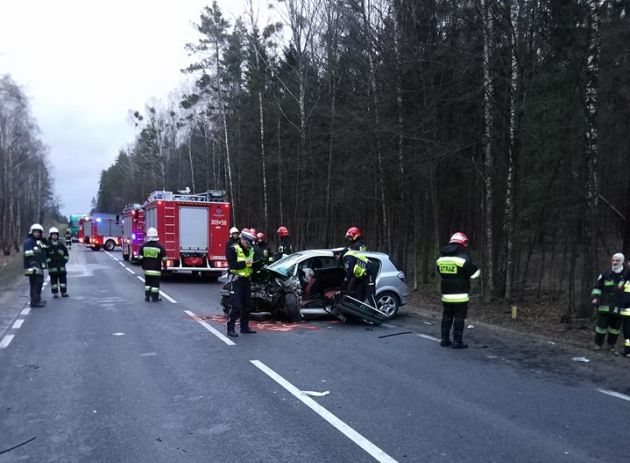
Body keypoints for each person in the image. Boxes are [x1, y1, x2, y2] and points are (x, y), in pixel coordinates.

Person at [436, 232, 480, 349]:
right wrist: (475, 267)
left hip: (446, 294)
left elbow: (441, 273)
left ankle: (444, 340)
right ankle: (457, 342)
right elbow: (475, 274)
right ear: (463, 243)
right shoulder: (464, 258)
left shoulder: (441, 258)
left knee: (447, 316)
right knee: (459, 318)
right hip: (460, 295)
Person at [591, 253, 625, 351]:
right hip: (604, 305)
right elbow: (597, 287)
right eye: (613, 260)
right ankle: (598, 344)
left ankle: (611, 346)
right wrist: (595, 298)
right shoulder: (605, 273)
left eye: (617, 261)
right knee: (601, 327)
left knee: (615, 329)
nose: (614, 262)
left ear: (622, 261)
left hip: (619, 307)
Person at [226, 230, 257, 337]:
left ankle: (244, 327)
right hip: (236, 280)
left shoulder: (250, 250)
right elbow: (232, 265)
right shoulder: (233, 249)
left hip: (246, 280)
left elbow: (252, 263)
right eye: (247, 242)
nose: (249, 245)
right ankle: (230, 329)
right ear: (242, 240)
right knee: (235, 306)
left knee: (248, 305)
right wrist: (245, 263)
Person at [138, 227, 167, 302]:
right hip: (156, 270)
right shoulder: (160, 248)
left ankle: (147, 297)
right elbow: (164, 258)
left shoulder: (143, 246)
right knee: (155, 285)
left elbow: (140, 257)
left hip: (147, 270)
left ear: (148, 237)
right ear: (156, 237)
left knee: (147, 284)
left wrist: (142, 265)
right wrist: (164, 266)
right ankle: (155, 298)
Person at [23, 223, 46, 308]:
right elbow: (28, 254)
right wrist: (33, 263)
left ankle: (37, 299)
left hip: (38, 267)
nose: (37, 234)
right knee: (35, 284)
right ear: (31, 232)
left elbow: (43, 252)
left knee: (39, 283)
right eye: (35, 232)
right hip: (32, 267)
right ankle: (34, 302)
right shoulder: (29, 242)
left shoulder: (37, 242)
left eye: (38, 232)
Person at [45, 227, 70, 298]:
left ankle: (63, 292)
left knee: (63, 281)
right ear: (50, 235)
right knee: (54, 282)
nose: (54, 236)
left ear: (57, 235)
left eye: (55, 235)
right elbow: (45, 256)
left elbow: (66, 254)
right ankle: (55, 293)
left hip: (61, 268)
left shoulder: (61, 245)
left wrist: (64, 261)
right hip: (52, 268)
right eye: (53, 235)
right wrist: (49, 262)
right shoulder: (48, 246)